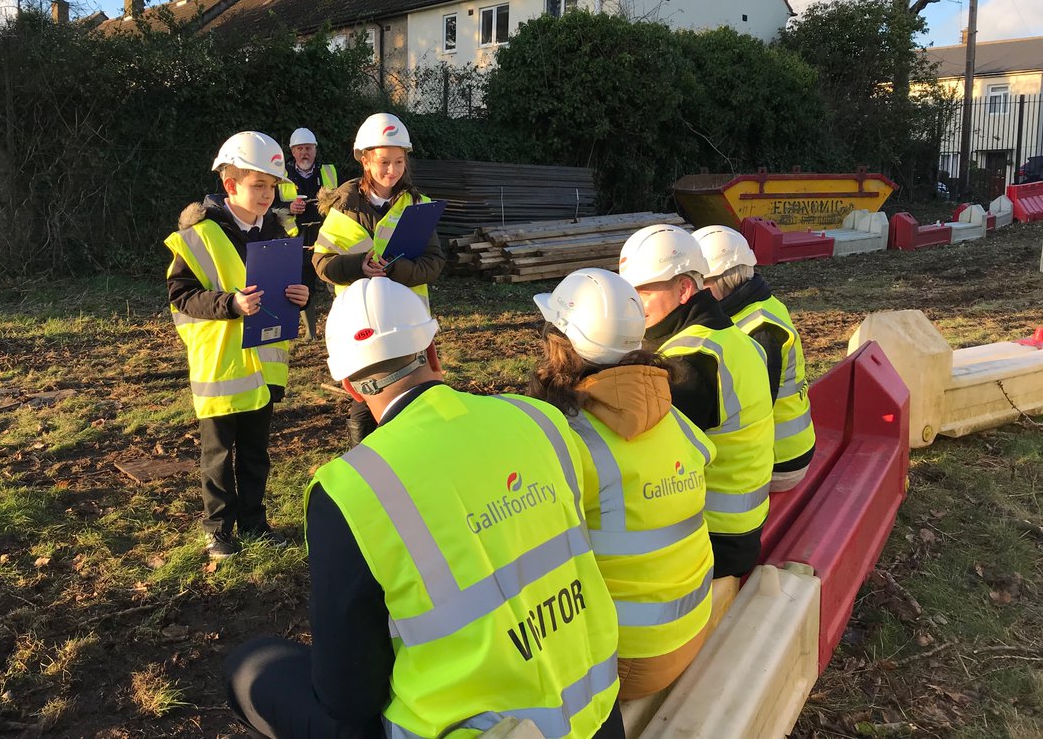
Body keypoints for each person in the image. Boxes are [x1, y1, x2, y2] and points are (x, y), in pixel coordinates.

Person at [224, 279, 624, 739]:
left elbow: (348, 697)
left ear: (350, 388)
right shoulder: (542, 420)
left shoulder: (349, 489)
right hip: (595, 712)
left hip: (467, 731)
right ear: (433, 353)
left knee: (248, 667)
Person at [531, 268, 716, 700]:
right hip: (690, 626)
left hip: (628, 658)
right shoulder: (673, 416)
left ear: (559, 344)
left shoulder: (570, 439)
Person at [165, 131, 309, 559]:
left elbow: (294, 285)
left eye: (272, 186)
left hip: (262, 368)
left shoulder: (279, 230)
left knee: (255, 454)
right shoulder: (200, 235)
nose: (267, 195)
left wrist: (304, 296)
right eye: (258, 185)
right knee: (217, 456)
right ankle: (218, 530)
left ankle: (254, 523)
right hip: (221, 367)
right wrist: (230, 304)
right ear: (230, 185)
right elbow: (181, 296)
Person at [618, 224, 773, 621]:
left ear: (684, 289)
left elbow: (648, 467)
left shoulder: (688, 362)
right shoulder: (731, 338)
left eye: (643, 292)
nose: (632, 304)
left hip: (714, 541)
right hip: (742, 527)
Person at [313, 112, 446, 445]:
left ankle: (411, 456)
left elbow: (434, 262)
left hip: (409, 324)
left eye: (399, 161)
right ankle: (364, 457)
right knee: (366, 398)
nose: (392, 170)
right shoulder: (343, 209)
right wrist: (358, 266)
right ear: (365, 161)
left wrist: (397, 270)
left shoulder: (418, 205)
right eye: (384, 162)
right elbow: (322, 262)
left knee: (413, 396)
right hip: (362, 327)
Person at [693, 225, 815, 492]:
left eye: (701, 283)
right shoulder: (760, 306)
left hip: (780, 461)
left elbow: (754, 409)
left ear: (722, 280)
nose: (695, 292)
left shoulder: (759, 329)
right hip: (787, 448)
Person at [273, 127, 338, 340]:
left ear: (315, 150)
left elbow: (341, 201)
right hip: (296, 239)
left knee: (334, 280)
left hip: (326, 236)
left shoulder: (328, 171)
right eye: (300, 149)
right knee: (303, 285)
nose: (304, 153)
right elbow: (269, 207)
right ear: (293, 151)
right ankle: (311, 333)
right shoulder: (281, 176)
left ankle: (340, 326)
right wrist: (288, 207)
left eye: (308, 148)